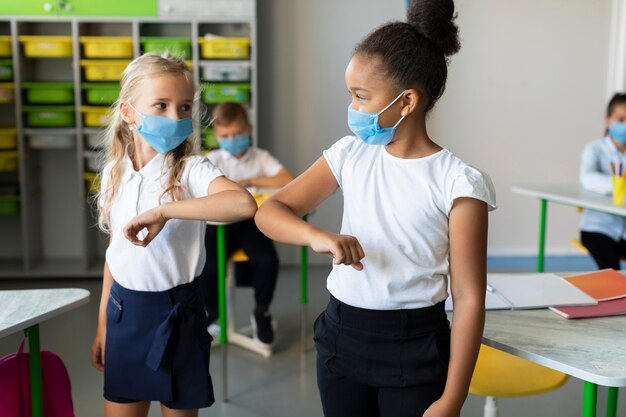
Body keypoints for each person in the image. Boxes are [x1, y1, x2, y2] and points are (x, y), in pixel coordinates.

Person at [255, 0, 496, 416]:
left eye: (361, 97)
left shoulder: (459, 183)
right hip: (340, 336)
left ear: (406, 102)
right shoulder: (350, 154)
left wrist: (452, 398)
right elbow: (270, 211)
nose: (352, 109)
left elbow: (469, 297)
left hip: (415, 347)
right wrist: (317, 236)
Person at [90, 53, 257, 417]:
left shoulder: (192, 169)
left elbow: (242, 204)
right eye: (161, 105)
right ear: (129, 112)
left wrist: (165, 211)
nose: (175, 117)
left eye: (184, 107)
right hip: (124, 313)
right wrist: (103, 323)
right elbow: (114, 255)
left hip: (178, 314)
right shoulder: (114, 174)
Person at [199, 102, 294, 346]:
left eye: (238, 133)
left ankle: (261, 311)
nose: (232, 139)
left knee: (267, 260)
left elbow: (287, 179)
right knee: (208, 268)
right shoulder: (212, 159)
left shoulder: (260, 157)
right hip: (219, 223)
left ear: (249, 130)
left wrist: (250, 179)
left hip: (251, 222)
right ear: (217, 136)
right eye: (226, 135)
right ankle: (211, 312)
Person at [580, 92, 626, 270]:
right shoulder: (595, 149)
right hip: (598, 228)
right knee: (610, 270)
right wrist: (619, 185)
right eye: (620, 119)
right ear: (608, 121)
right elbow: (587, 178)